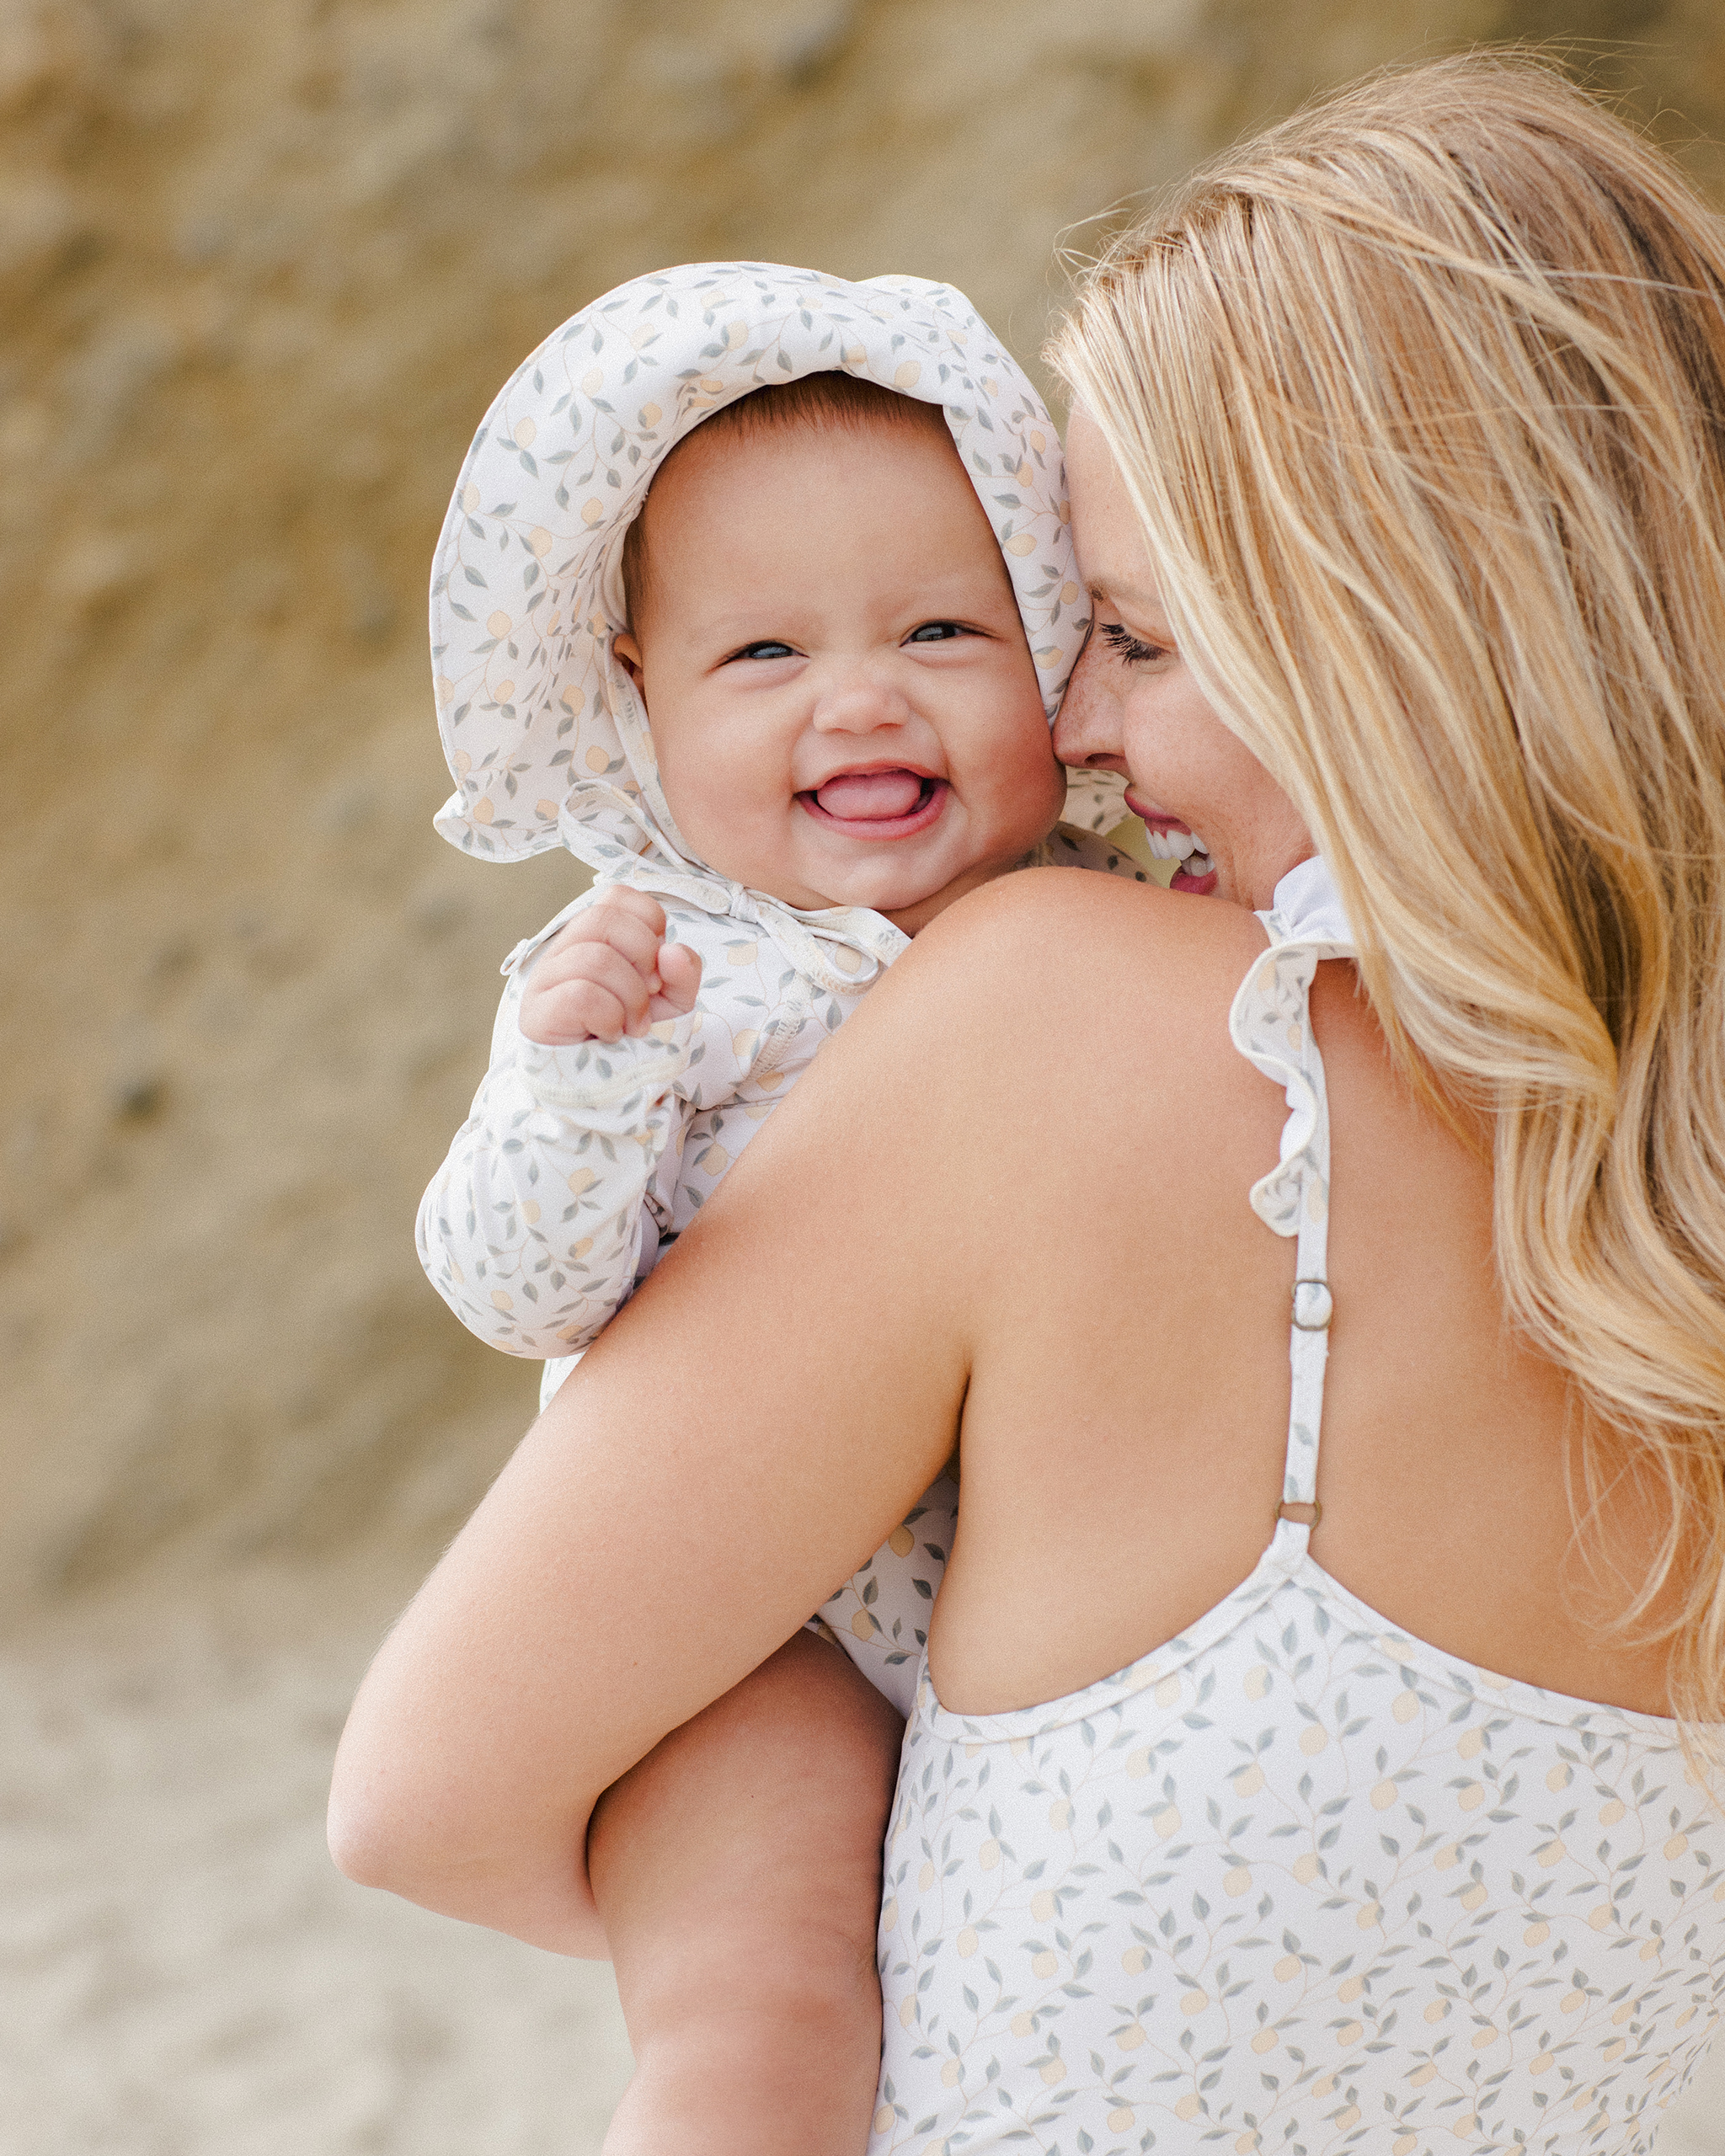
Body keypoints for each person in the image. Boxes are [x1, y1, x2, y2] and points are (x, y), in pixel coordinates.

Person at [331, 53, 1725, 2153]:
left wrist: (799, 1899)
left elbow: (424, 1788)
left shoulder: (1056, 1020)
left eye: (1135, 636)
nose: (1067, 720)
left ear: (1391, 646)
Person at [409, 259, 1147, 2150]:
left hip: (1034, 1598)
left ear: (1050, 640)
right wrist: (579, 1081)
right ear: (634, 698)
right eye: (764, 655)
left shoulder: (1113, 919)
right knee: (767, 2007)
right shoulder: (657, 974)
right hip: (750, 1632)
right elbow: (514, 1283)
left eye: (940, 630)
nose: (859, 697)